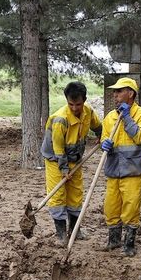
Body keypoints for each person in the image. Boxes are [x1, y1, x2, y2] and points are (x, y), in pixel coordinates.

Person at [41, 81, 102, 243]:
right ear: (67, 101)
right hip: (55, 159)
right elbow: (58, 148)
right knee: (58, 195)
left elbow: (97, 125)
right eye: (71, 104)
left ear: (85, 100)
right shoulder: (60, 119)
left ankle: (75, 230)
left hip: (75, 158)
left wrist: (100, 134)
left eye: (78, 104)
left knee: (75, 194)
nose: (75, 108)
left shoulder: (88, 112)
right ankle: (61, 235)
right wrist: (63, 169)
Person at [100, 77, 141, 256]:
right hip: (114, 168)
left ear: (130, 93)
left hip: (134, 169)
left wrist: (127, 117)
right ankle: (113, 240)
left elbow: (139, 137)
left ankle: (129, 244)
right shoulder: (110, 117)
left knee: (130, 205)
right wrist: (104, 144)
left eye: (119, 91)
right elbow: (104, 138)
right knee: (111, 205)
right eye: (114, 91)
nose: (115, 95)